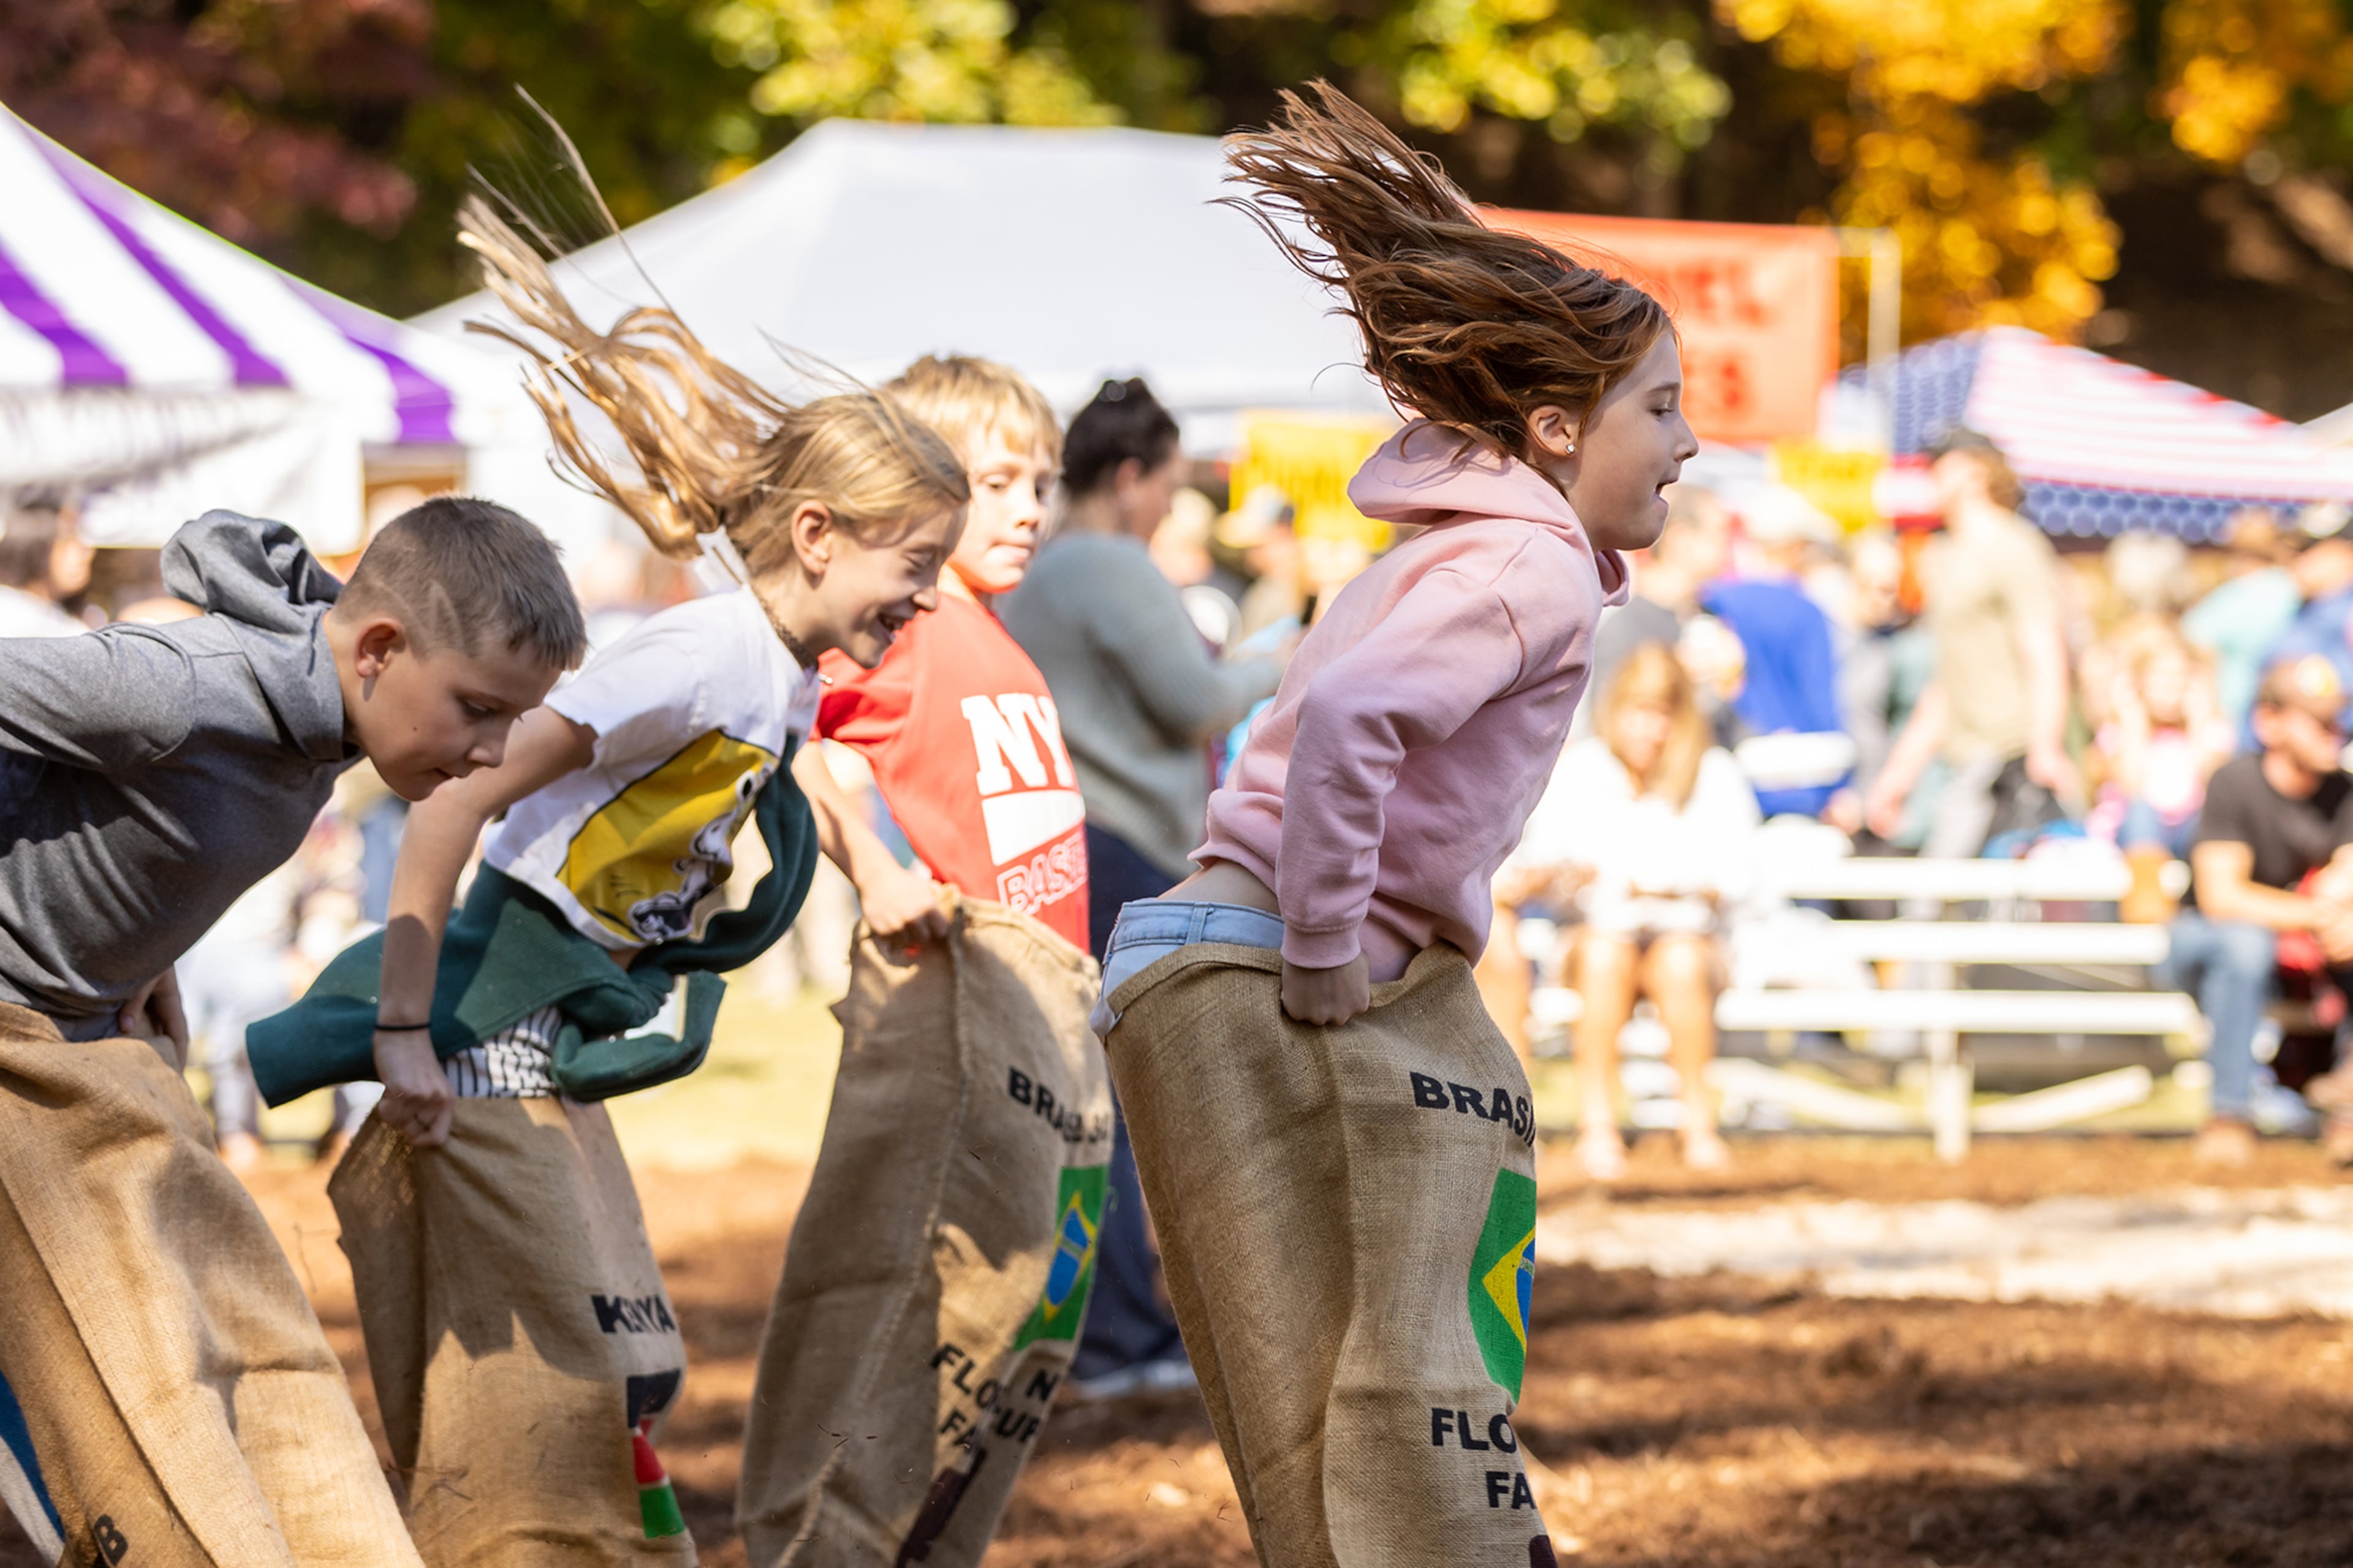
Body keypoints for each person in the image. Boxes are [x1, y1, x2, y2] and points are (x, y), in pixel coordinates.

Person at [250, 198, 968, 1568]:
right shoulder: (696, 658)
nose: (924, 597)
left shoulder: (781, 676)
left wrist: (874, 865)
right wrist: (406, 1030)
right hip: (486, 1017)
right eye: (914, 565)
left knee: (624, 1363)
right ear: (817, 534)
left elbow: (792, 783)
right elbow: (451, 800)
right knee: (561, 1367)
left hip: (559, 1027)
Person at [1091, 83, 1692, 1567]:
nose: (1688, 442)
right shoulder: (1529, 572)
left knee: (1343, 1351)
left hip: (1241, 934)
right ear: (1555, 428)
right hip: (1265, 951)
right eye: (1661, 409)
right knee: (1378, 1342)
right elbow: (1354, 721)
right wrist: (1317, 949)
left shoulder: (1478, 541)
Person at [0, 493, 579, 1568]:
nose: (494, 749)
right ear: (378, 648)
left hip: (87, 1033)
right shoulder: (181, 686)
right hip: (19, 1040)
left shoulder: (345, 712)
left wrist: (143, 943)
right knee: (118, 1376)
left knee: (227, 1340)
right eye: (478, 709)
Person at [739, 355, 1111, 1567]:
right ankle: (831, 1541)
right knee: (924, 1300)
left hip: (1048, 1009)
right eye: (998, 480)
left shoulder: (989, 629)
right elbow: (788, 731)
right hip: (963, 1017)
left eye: (1042, 481)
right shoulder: (907, 621)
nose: (1028, 508)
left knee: (1024, 1319)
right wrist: (878, 868)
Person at [1000, 376, 1283, 1399]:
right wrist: (1277, 664)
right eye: (1167, 482)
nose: (1171, 504)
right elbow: (1194, 699)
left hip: (1083, 845)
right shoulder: (1105, 564)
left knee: (1097, 1098)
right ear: (1129, 476)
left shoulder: (1038, 570)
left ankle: (1107, 1320)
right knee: (1121, 1104)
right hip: (1118, 846)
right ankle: (1123, 1330)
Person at [1517, 645, 1757, 1179]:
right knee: (1606, 955)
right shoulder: (1582, 770)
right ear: (1615, 710)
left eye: (1663, 714)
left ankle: (1698, 1123)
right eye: (1639, 712)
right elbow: (1545, 870)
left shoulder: (1714, 774)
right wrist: (1569, 877)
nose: (1650, 730)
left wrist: (1670, 887)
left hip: (1690, 940)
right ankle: (1597, 1124)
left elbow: (1739, 877)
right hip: (1601, 938)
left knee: (1678, 962)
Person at [2161, 656, 2353, 1165]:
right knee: (2244, 942)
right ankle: (2228, 1116)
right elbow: (2223, 897)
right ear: (2269, 721)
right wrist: (2321, 916)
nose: (2334, 732)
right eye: (2318, 721)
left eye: (2338, 718)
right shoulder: (2234, 783)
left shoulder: (2345, 793)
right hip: (2205, 942)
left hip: (2304, 948)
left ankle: (2348, 1113)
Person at [1864, 429, 2078, 857]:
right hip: (1964, 756)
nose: (1929, 479)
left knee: (1960, 893)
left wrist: (2046, 747)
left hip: (2011, 755)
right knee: (1950, 896)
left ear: (1972, 471)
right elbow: (1947, 679)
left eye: (1938, 466)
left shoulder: (2014, 545)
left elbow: (2044, 650)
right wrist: (1900, 774)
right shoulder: (1944, 555)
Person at [2089, 626, 2233, 922]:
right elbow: (2130, 785)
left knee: (2208, 820)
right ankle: (2147, 901)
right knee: (2142, 811)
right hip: (2133, 836)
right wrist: (2133, 722)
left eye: (2180, 679)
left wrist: (2199, 722)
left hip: (2188, 831)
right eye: (2161, 679)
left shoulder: (2211, 732)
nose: (2171, 689)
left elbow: (2215, 787)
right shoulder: (2121, 731)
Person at [1588, 482, 1730, 702]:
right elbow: (1607, 720)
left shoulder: (1707, 613)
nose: (1727, 544)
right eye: (1718, 533)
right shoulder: (1626, 627)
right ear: (1680, 538)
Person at [2182, 510, 2299, 732]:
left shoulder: (2234, 597)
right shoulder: (2292, 589)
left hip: (2235, 714)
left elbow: (2191, 639)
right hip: (2281, 715)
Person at [0, 498, 93, 637]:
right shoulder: (11, 614)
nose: (86, 551)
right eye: (68, 539)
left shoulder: (55, 616)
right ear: (34, 545)